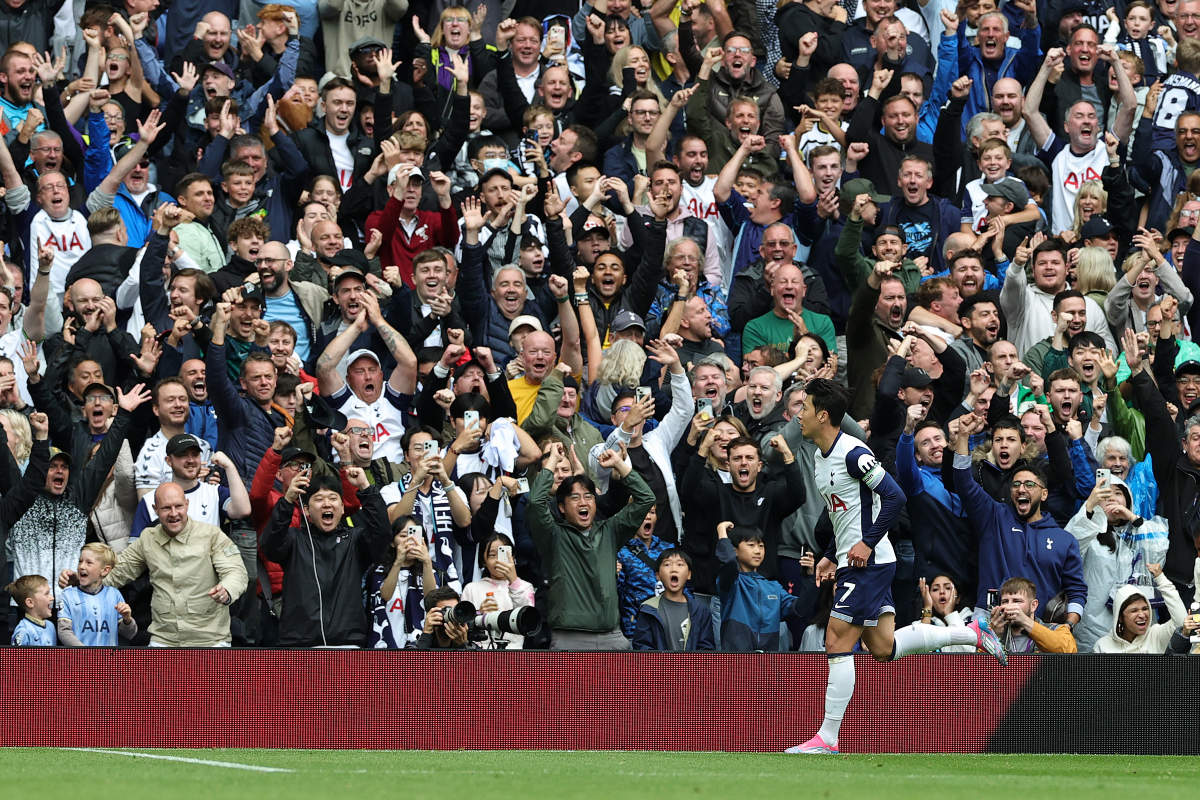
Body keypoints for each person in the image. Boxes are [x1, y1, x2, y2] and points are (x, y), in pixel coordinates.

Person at [788, 379, 1004, 755]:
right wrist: (829, 550)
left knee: (836, 641)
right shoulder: (822, 458)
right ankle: (974, 634)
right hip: (859, 559)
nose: (798, 414)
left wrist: (866, 543)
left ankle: (827, 738)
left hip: (868, 563)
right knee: (884, 648)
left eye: (803, 407)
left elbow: (894, 495)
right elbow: (846, 513)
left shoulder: (853, 454)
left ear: (822, 415)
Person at [83, 482, 249, 648]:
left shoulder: (212, 535)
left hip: (210, 639)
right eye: (166, 508)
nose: (174, 513)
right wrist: (81, 579)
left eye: (178, 506)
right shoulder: (148, 538)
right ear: (155, 510)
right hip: (164, 639)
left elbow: (236, 572)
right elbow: (119, 571)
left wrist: (226, 590)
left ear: (187, 505)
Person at [526, 443, 655, 651]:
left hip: (613, 638)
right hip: (571, 639)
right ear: (561, 507)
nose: (583, 502)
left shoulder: (610, 530)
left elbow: (646, 499)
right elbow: (535, 502)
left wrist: (619, 464)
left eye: (588, 497)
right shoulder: (553, 534)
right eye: (574, 498)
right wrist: (552, 460)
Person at [262, 465, 391, 648]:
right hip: (298, 645)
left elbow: (382, 534)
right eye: (319, 499)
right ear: (306, 510)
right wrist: (288, 500)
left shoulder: (355, 540)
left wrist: (365, 487)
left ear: (343, 507)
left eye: (333, 498)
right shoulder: (294, 539)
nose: (327, 504)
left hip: (347, 644)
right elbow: (270, 544)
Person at [715, 521, 804, 651]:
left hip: (767, 663)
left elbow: (800, 609)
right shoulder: (732, 583)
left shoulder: (774, 587)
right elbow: (728, 563)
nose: (757, 551)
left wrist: (810, 578)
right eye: (751, 545)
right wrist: (721, 530)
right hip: (736, 663)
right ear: (734, 550)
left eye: (761, 546)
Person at [460, 532, 536, 650]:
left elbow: (528, 620)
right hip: (479, 652)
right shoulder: (471, 588)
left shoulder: (525, 587)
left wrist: (514, 582)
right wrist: (478, 614)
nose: (498, 560)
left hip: (514, 652)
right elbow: (462, 625)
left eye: (503, 554)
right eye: (492, 555)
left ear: (513, 557)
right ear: (483, 561)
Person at [632, 548, 716, 651]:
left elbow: (706, 648)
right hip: (659, 666)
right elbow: (642, 646)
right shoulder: (648, 609)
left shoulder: (700, 611)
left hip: (691, 666)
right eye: (667, 565)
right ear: (658, 575)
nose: (673, 569)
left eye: (680, 564)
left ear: (689, 574)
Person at [57, 543, 137, 646]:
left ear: (105, 570)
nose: (81, 566)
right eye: (80, 561)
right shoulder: (68, 595)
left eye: (89, 562)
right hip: (80, 660)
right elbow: (64, 632)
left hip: (108, 661)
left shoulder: (114, 594)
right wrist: (87, 654)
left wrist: (127, 619)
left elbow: (129, 634)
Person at [1092, 566, 1189, 652]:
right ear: (1120, 617)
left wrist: (1161, 579)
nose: (1142, 615)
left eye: (1145, 608)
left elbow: (1182, 623)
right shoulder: (1103, 646)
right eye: (1134, 611)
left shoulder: (1156, 635)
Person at [987, 576, 1079, 653]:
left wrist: (1025, 621)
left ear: (1033, 605)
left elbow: (1069, 652)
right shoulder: (995, 631)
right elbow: (980, 668)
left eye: (1017, 601)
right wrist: (994, 636)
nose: (1009, 606)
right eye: (1005, 601)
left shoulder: (1057, 630)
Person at [6, 574, 55, 646]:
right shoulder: (23, 631)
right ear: (30, 602)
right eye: (46, 594)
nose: (52, 598)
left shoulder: (50, 626)